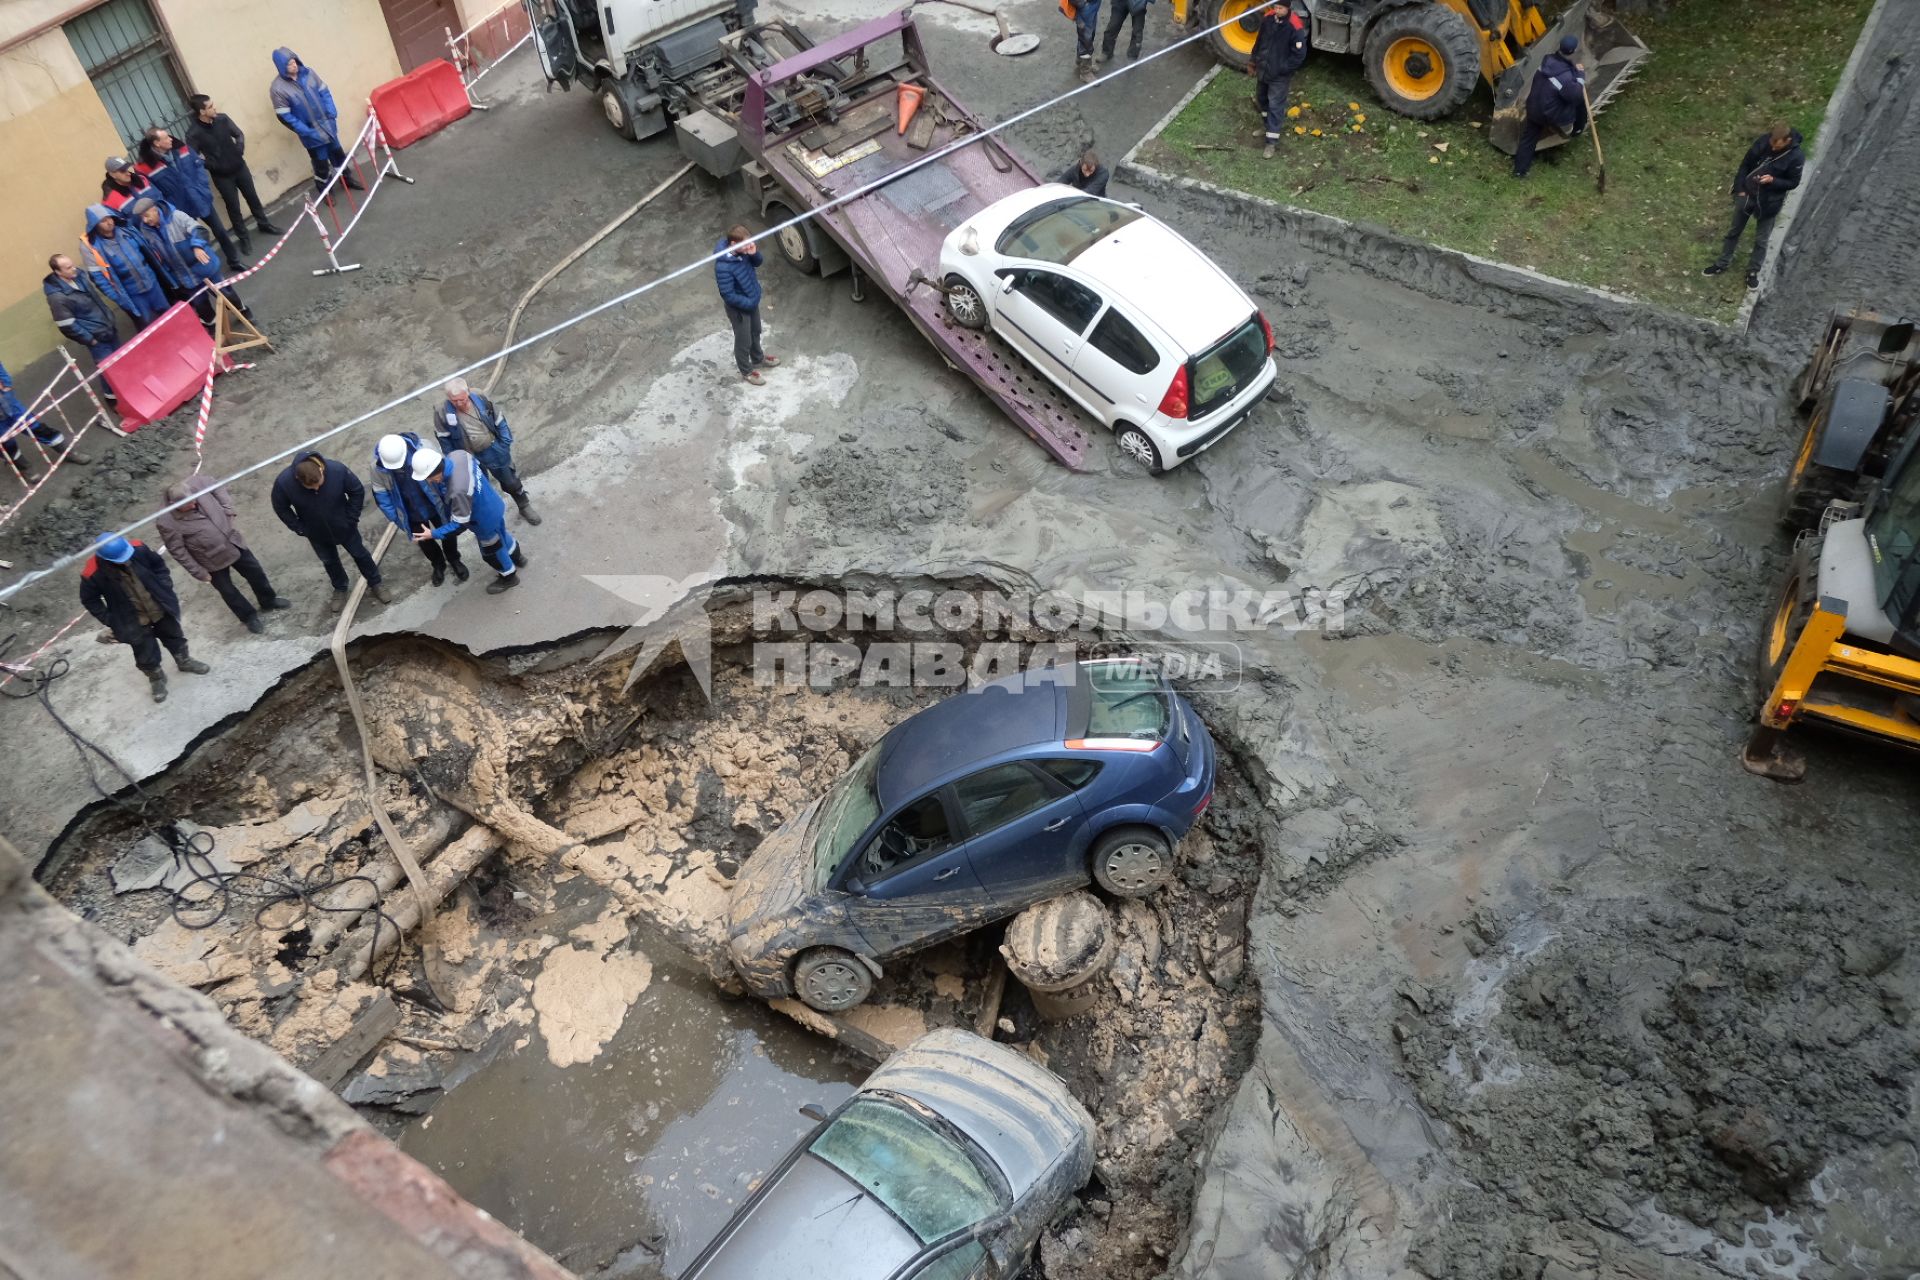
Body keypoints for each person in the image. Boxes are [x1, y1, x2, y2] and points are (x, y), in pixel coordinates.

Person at [79, 533, 210, 704]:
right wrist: (111, 620)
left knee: (175, 636)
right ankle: (156, 678)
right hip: (132, 620)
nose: (126, 561)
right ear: (107, 559)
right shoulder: (92, 573)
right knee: (145, 653)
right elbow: (90, 600)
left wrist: (164, 585)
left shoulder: (137, 548)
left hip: (159, 607)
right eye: (120, 561)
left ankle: (184, 661)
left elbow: (159, 565)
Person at [156, 475, 289, 634]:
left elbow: (216, 486)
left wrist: (227, 508)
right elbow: (178, 551)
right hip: (210, 559)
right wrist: (199, 572)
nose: (194, 504)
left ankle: (268, 600)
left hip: (232, 541)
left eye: (194, 499)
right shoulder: (166, 522)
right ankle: (248, 617)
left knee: (255, 572)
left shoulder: (199, 483)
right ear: (173, 505)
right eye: (188, 504)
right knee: (228, 591)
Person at [271, 452, 391, 610]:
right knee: (329, 561)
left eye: (319, 484)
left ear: (321, 471)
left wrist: (351, 518)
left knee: (360, 554)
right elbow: (281, 507)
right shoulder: (284, 483)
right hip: (316, 533)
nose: (316, 488)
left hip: (345, 526)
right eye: (311, 487)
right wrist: (300, 528)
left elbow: (356, 491)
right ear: (298, 480)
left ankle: (375, 582)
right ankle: (340, 587)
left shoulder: (337, 470)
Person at [410, 446, 528, 595]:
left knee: (492, 553)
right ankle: (518, 558)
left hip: (483, 523)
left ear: (436, 474)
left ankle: (509, 577)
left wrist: (434, 534)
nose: (429, 481)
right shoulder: (458, 455)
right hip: (494, 505)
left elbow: (459, 525)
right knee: (503, 534)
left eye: (429, 478)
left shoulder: (457, 491)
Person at [1705, 121, 1805, 288]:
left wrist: (1773, 180)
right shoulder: (1763, 142)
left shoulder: (1796, 157)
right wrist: (1740, 190)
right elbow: (1745, 165)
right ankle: (1722, 263)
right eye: (1771, 144)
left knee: (1761, 240)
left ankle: (1753, 271)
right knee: (1733, 231)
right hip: (1748, 194)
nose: (1772, 148)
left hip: (1769, 202)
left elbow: (1793, 182)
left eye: (1777, 146)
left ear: (1787, 141)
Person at [127, 196, 250, 329]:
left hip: (204, 265)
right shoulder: (146, 230)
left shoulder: (177, 216)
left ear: (155, 209)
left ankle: (242, 311)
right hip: (183, 274)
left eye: (146, 215)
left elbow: (199, 230)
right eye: (142, 217)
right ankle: (213, 327)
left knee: (224, 292)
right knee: (200, 303)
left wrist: (197, 246)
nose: (145, 220)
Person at [431, 378, 540, 525]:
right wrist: (454, 461)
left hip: (493, 450)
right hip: (469, 458)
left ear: (468, 392)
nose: (459, 404)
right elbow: (444, 439)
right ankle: (492, 520)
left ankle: (524, 505)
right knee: (480, 490)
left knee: (510, 480)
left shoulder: (480, 398)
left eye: (462, 399)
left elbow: (498, 418)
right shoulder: (442, 412)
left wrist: (505, 442)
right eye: (454, 400)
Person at [138, 125, 246, 271]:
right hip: (179, 207)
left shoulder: (182, 148)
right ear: (157, 143)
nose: (170, 139)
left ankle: (234, 260)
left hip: (199, 197)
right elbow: (154, 192)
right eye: (165, 138)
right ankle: (208, 270)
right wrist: (170, 207)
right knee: (192, 239)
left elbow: (198, 165)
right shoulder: (144, 167)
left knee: (220, 230)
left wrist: (202, 188)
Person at [186, 95, 283, 255]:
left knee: (252, 197)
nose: (214, 108)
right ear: (202, 111)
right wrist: (213, 165)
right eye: (210, 106)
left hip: (239, 168)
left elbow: (238, 134)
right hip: (222, 176)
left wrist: (239, 149)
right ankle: (243, 238)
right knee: (233, 208)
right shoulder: (193, 134)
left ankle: (264, 224)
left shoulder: (222, 120)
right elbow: (194, 158)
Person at [371, 432, 468, 586]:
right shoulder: (378, 467)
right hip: (411, 512)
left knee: (448, 532)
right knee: (424, 541)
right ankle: (438, 564)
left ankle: (454, 559)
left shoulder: (424, 447)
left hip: (436, 504)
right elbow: (381, 496)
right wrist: (398, 519)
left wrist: (447, 498)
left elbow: (443, 472)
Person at [270, 49, 363, 194]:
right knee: (321, 165)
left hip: (328, 127)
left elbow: (324, 92)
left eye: (294, 61)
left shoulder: (309, 73)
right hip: (311, 135)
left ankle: (347, 180)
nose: (294, 65)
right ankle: (325, 191)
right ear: (282, 67)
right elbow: (284, 117)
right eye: (289, 64)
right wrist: (306, 131)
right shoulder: (278, 89)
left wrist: (331, 112)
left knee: (338, 156)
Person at [42, 254, 123, 401]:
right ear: (58, 272)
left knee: (120, 362)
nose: (74, 269)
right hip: (97, 338)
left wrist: (109, 318)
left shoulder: (79, 276)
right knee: (108, 371)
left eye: (72, 265)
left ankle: (127, 392)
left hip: (108, 327)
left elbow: (95, 299)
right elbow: (67, 325)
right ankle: (112, 399)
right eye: (68, 268)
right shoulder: (57, 298)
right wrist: (91, 340)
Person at [1511, 35, 1587, 179]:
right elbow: (1574, 95)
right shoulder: (1565, 77)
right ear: (1573, 51)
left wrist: (1573, 72)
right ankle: (1577, 129)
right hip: (1549, 115)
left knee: (1529, 138)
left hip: (1533, 108)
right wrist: (1580, 75)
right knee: (1580, 102)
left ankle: (1519, 171)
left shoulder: (1547, 60)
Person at [81, 205, 168, 326]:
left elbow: (148, 250)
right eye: (103, 221)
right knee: (150, 326)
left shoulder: (126, 230)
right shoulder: (91, 248)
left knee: (168, 315)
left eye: (109, 218)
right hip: (134, 294)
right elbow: (99, 279)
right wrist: (120, 300)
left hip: (152, 284)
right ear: (95, 225)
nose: (109, 222)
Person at [1, 360, 90, 477]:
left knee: (36, 428)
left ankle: (67, 452)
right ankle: (24, 467)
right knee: (6, 444)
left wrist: (6, 387)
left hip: (8, 403)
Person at [716, 225, 780, 386]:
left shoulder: (744, 253)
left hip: (751, 302)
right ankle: (747, 371)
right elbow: (728, 295)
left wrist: (754, 253)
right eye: (746, 244)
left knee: (755, 331)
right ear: (733, 244)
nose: (749, 246)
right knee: (743, 341)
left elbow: (758, 262)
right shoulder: (723, 266)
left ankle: (758, 358)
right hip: (739, 309)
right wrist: (749, 303)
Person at [1248, 2, 1310, 159]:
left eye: (1280, 8)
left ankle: (1271, 142)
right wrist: (1253, 61)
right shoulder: (1268, 18)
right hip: (1263, 70)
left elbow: (1299, 55)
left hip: (1279, 76)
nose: (1277, 10)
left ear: (1288, 8)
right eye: (1275, 7)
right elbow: (1259, 41)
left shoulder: (1294, 26)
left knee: (1275, 105)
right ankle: (1266, 126)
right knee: (1262, 99)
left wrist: (1283, 70)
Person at [1100, 0, 1150, 66]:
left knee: (1137, 31)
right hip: (1120, 2)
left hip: (1138, 3)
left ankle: (1132, 56)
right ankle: (1106, 52)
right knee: (1112, 27)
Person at [1065, 0, 1104, 83]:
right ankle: (1085, 72)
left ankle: (1080, 61)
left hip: (1092, 4)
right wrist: (1082, 4)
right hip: (1086, 5)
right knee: (1086, 39)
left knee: (1088, 35)